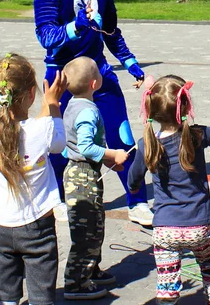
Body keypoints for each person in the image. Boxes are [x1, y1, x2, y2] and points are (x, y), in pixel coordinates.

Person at [36, 0, 153, 226]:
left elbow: (111, 31)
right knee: (60, 141)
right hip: (60, 78)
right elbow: (46, 36)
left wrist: (129, 62)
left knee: (123, 138)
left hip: (99, 75)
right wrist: (76, 25)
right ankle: (57, 197)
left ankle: (137, 201)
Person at [128, 76, 210, 305]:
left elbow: (133, 181)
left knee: (167, 287)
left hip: (166, 229)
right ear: (185, 105)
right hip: (199, 227)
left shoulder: (146, 143)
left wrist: (135, 187)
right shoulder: (198, 135)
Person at [0, 53, 67, 305]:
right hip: (37, 227)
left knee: (6, 295)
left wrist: (46, 107)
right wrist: (53, 104)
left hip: (2, 226)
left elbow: (25, 129)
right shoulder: (44, 129)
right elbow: (58, 143)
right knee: (41, 295)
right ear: (32, 94)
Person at [62, 57, 129, 300]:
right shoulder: (88, 112)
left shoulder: (74, 103)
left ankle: (92, 268)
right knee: (86, 229)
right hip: (82, 175)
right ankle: (76, 282)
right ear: (94, 83)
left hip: (82, 171)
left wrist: (108, 161)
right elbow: (86, 147)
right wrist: (114, 154)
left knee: (95, 224)